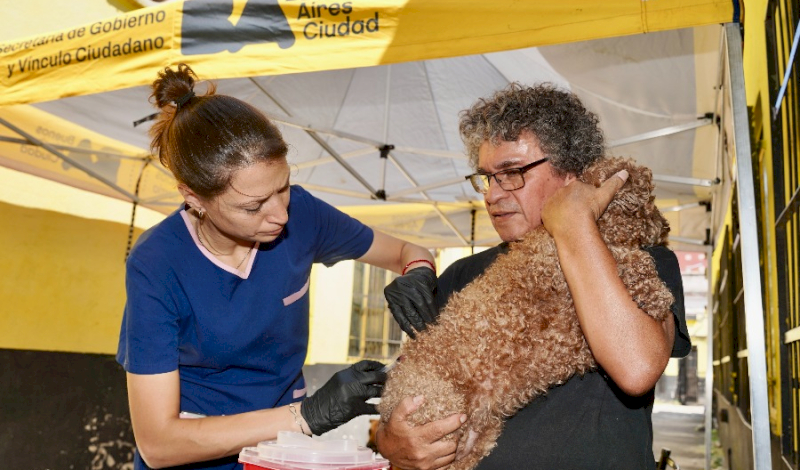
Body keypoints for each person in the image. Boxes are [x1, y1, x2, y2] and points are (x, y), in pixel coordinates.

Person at [116, 63, 437, 470]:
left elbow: (409, 249)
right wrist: (306, 416)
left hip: (280, 456)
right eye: (253, 206)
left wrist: (419, 272)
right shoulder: (157, 265)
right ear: (193, 197)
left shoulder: (303, 214)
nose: (280, 215)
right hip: (196, 459)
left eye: (283, 186)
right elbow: (159, 445)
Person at [377, 83, 691, 470]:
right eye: (487, 178)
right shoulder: (463, 274)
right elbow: (411, 398)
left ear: (572, 174)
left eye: (511, 173)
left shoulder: (644, 260)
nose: (492, 195)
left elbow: (637, 368)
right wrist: (392, 443)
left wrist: (574, 222)